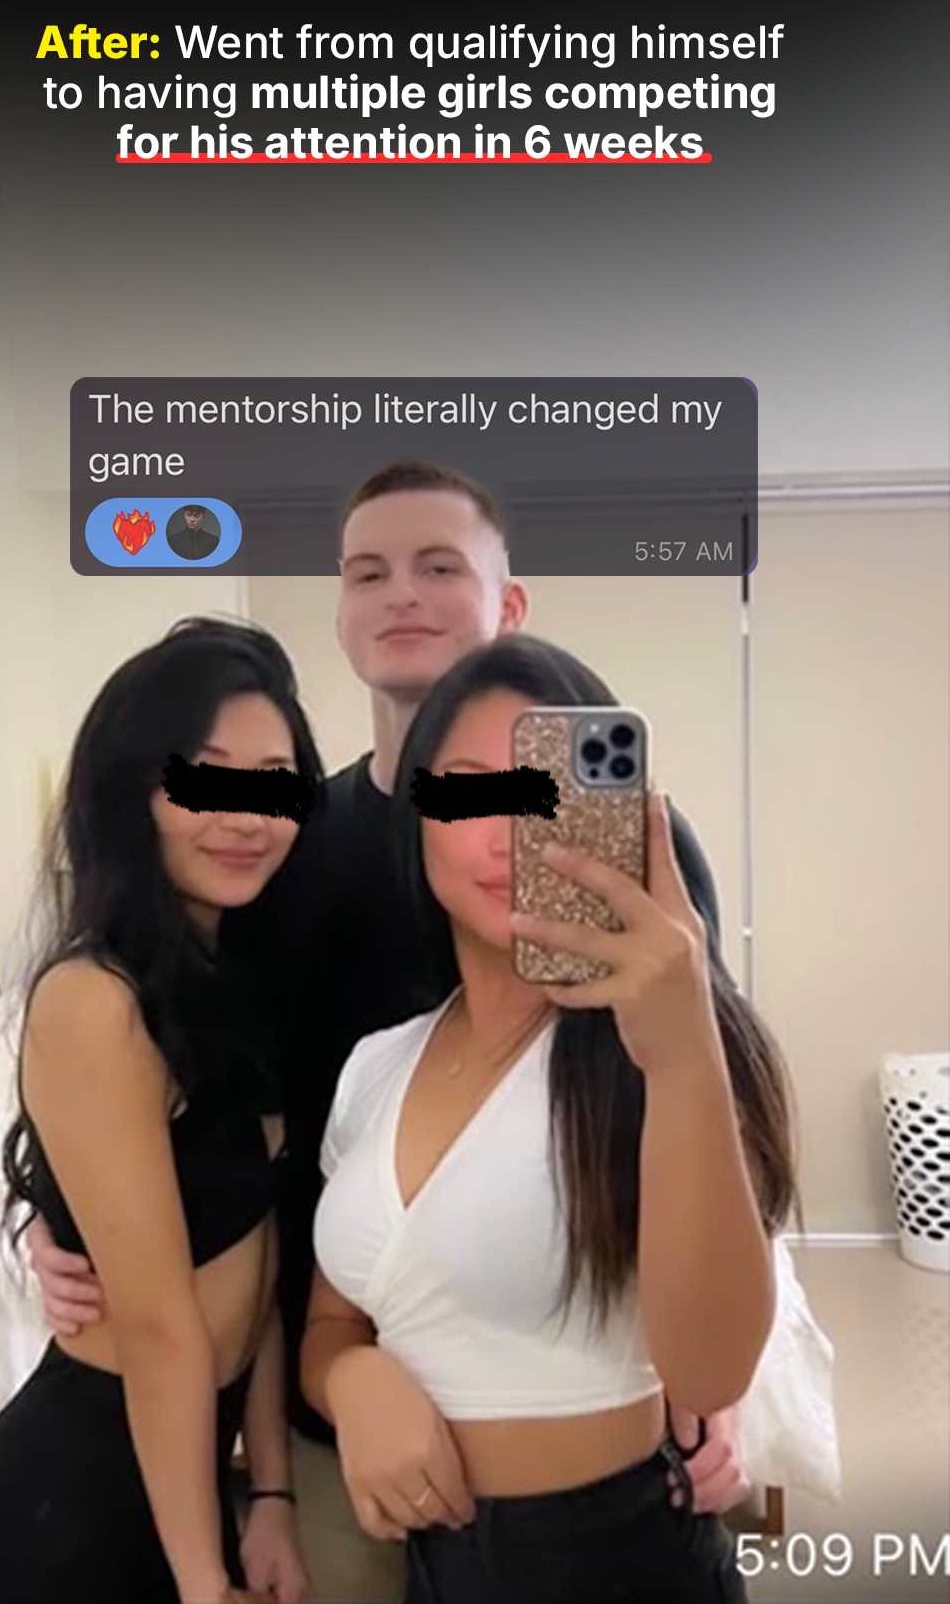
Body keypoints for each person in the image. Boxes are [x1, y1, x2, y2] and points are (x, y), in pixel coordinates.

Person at [30, 463, 751, 1600]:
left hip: (592, 1449)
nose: (402, 594)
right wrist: (55, 1209)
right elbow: (179, 1066)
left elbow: (711, 1131)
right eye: (369, 572)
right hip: (334, 1411)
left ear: (509, 603)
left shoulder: (638, 863)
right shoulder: (278, 845)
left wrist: (718, 1374)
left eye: (440, 566)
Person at [302, 635, 798, 1604]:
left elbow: (709, 1372)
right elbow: (332, 1318)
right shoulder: (377, 1065)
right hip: (434, 1571)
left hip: (621, 1562)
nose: (504, 834)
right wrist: (350, 1382)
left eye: (541, 795)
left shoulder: (654, 1049)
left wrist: (683, 1049)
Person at [0, 618, 320, 1604]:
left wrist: (272, 1495)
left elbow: (258, 1262)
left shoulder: (231, 982)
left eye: (274, 781)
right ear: (132, 790)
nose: (246, 814)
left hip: (178, 1490)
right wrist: (203, 1581)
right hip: (61, 1520)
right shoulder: (96, 999)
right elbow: (158, 1329)